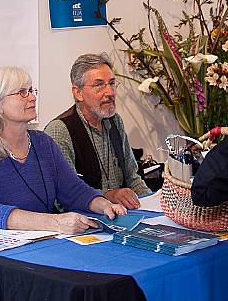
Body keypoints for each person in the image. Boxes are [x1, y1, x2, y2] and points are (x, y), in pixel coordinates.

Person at [0, 66, 126, 234]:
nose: (32, 98)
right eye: (22, 93)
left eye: (31, 91)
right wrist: (56, 222)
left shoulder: (42, 142)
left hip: (35, 241)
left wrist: (104, 205)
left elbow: (73, 190)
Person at [45, 53, 150, 210]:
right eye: (99, 85)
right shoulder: (60, 130)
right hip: (84, 224)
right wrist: (108, 195)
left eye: (112, 83)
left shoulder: (115, 122)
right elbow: (64, 196)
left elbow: (132, 178)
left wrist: (154, 206)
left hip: (122, 218)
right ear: (78, 93)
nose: (110, 92)